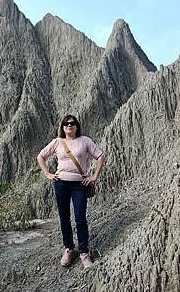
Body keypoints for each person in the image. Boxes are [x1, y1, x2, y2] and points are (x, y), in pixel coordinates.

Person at [37, 115, 106, 269]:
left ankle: (84, 252)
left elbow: (101, 156)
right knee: (64, 217)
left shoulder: (85, 141)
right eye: (66, 124)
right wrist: (48, 174)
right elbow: (41, 156)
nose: (70, 126)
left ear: (76, 126)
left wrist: (94, 176)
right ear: (63, 127)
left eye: (72, 123)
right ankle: (69, 249)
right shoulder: (57, 142)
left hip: (79, 185)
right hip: (61, 184)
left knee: (80, 218)